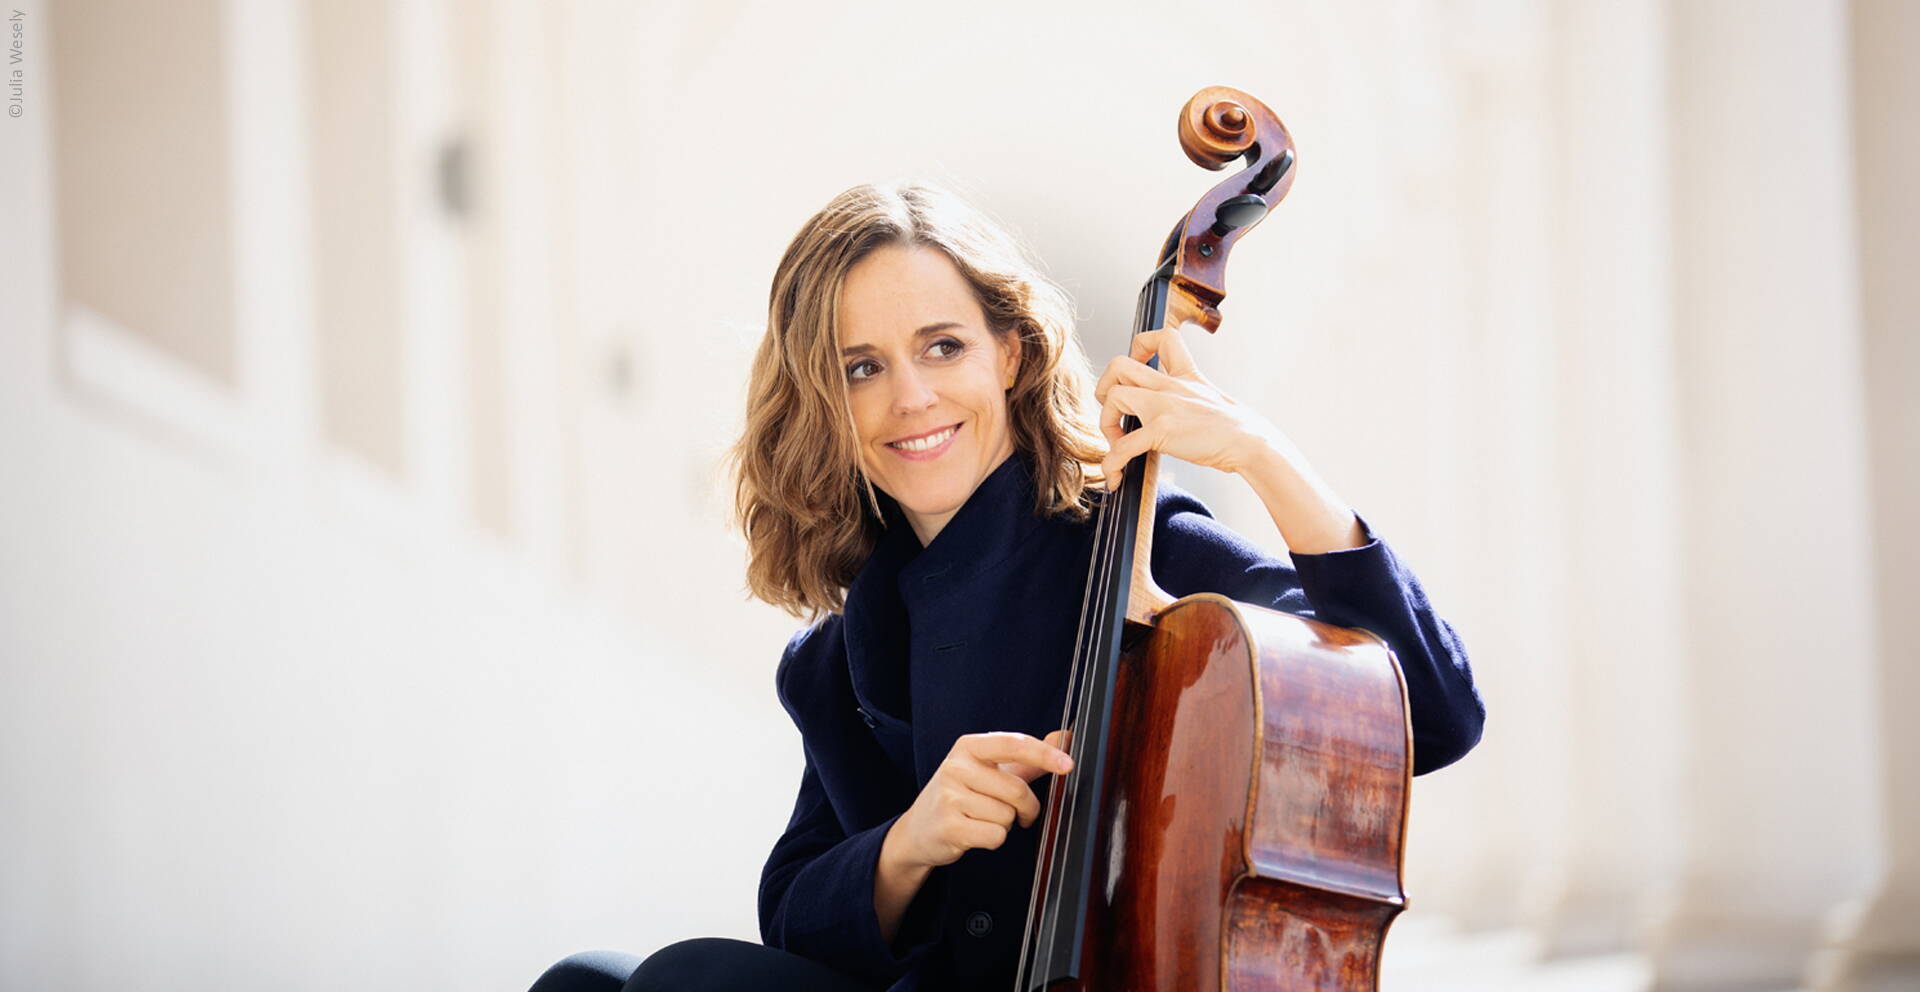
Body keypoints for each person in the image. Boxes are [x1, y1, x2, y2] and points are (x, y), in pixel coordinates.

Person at [529, 182, 1486, 992]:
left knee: (676, 979)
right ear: (825, 403)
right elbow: (793, 916)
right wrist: (911, 841)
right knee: (590, 982)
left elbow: (1429, 713)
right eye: (862, 368)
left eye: (943, 347)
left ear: (1011, 354)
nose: (911, 398)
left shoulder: (1139, 554)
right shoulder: (835, 658)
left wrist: (1265, 457)